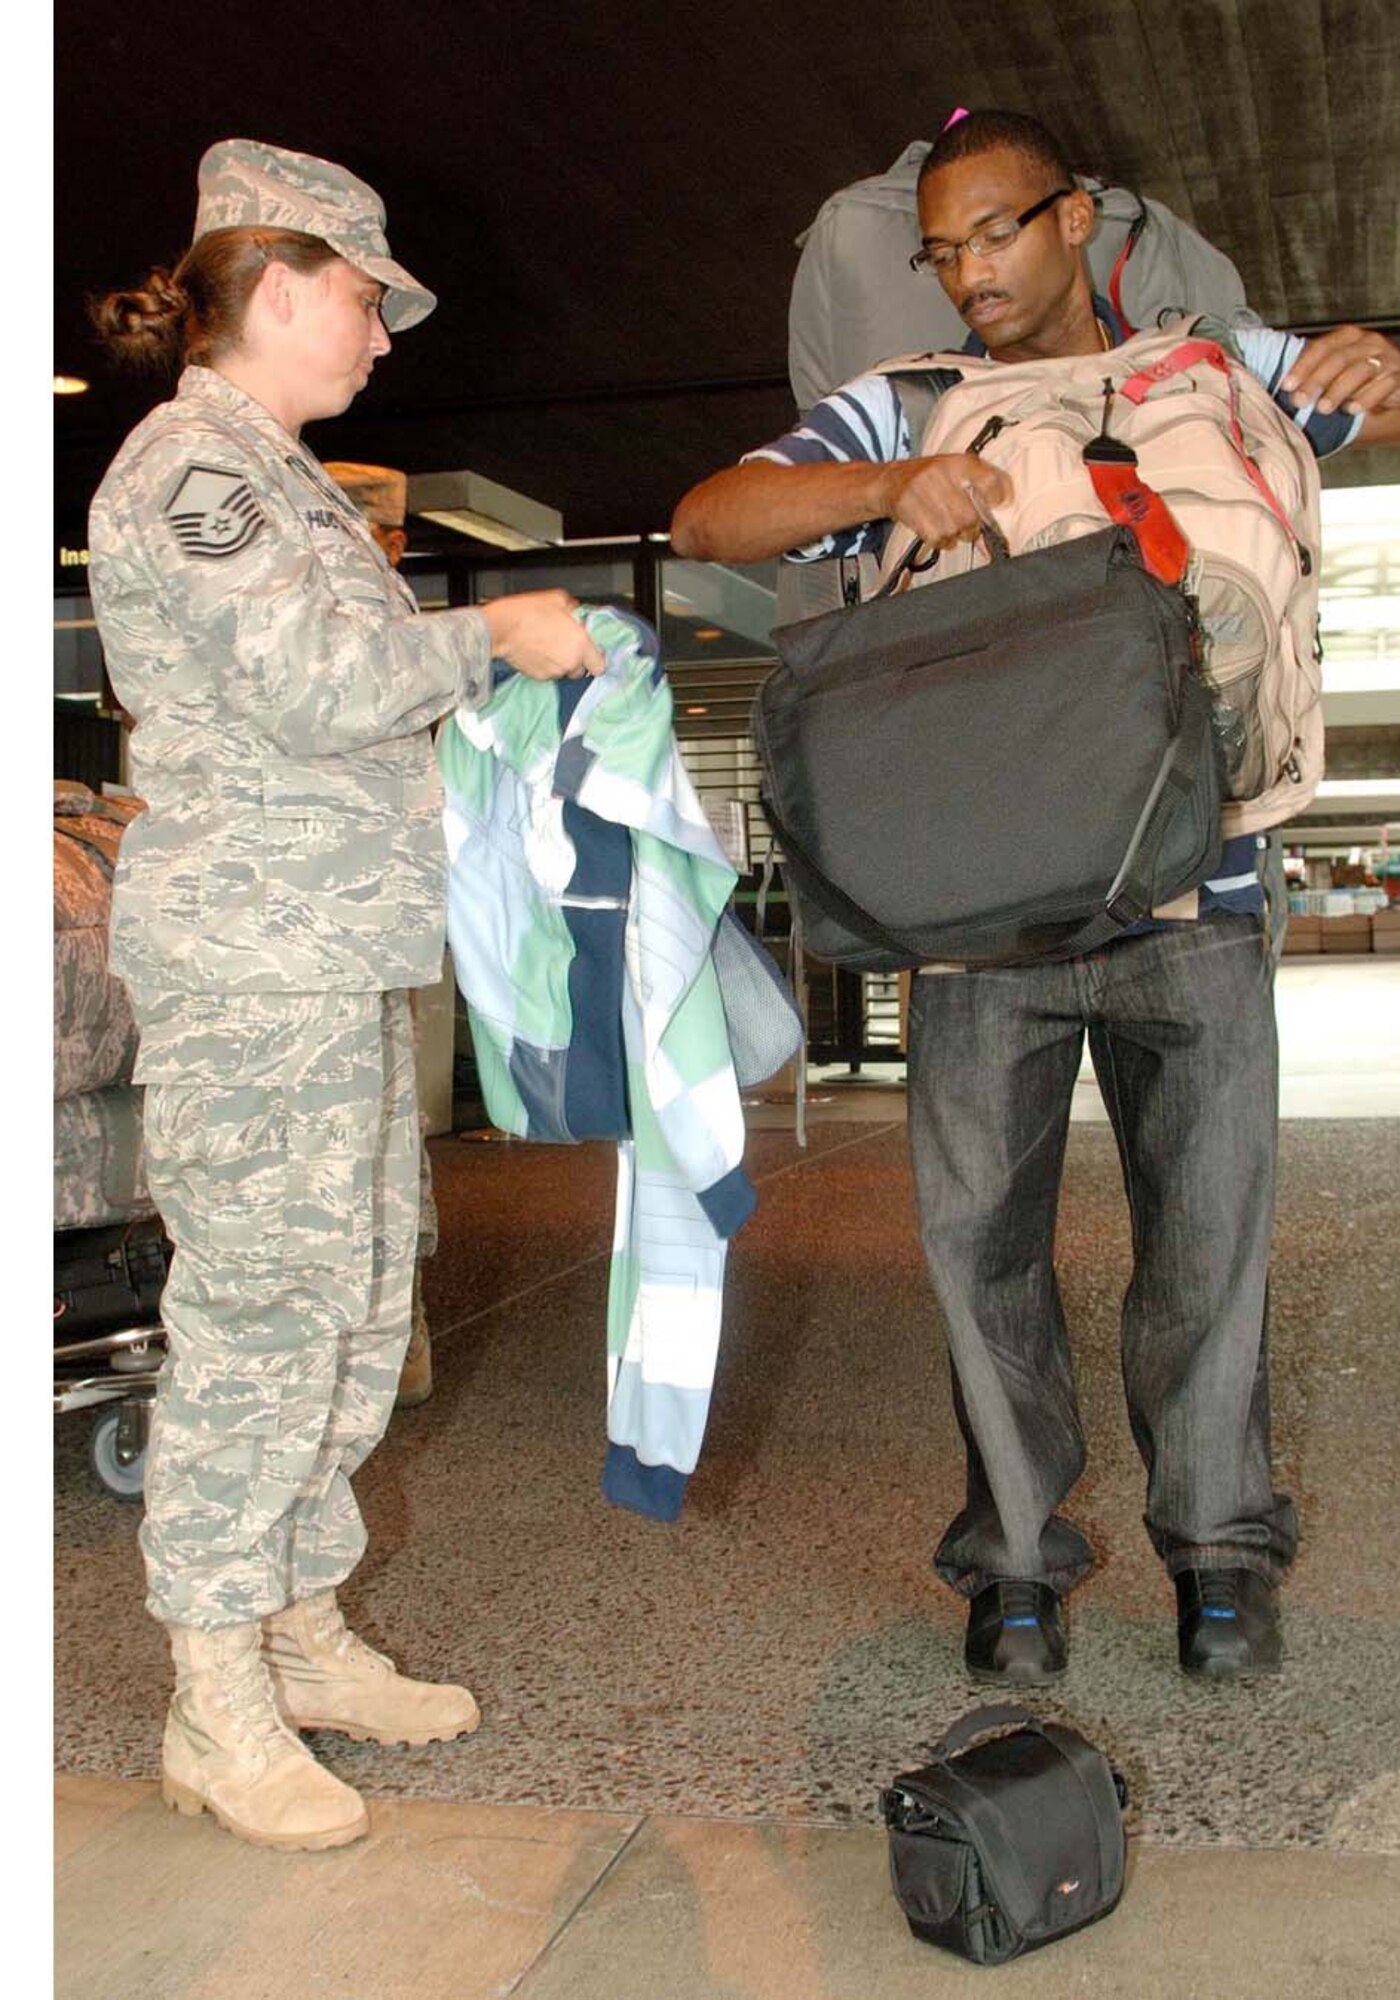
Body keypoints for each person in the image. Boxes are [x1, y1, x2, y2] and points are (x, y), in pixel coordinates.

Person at [672, 109, 1400, 1686]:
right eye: (942, 251)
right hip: (983, 920)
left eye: (995, 234)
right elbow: (710, 516)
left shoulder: (1218, 367)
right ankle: (1012, 1568)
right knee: (977, 1255)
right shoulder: (906, 402)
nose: (970, 274)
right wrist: (888, 487)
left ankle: (1216, 1554)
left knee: (1207, 1248)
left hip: (1197, 900)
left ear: (1077, 223)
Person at [88, 137, 604, 1852]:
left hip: (330, 955)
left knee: (359, 1304)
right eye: (372, 300)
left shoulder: (284, 478)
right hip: (254, 966)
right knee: (260, 1322)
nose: (384, 335)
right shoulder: (194, 469)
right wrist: (496, 633)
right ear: (290, 278)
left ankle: (299, 1631)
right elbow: (322, 689)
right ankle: (212, 1693)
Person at [323, 461, 435, 1410]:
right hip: (305, 924)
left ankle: (400, 1326)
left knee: (386, 1134)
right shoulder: (312, 612)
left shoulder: (384, 615)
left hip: (376, 923)